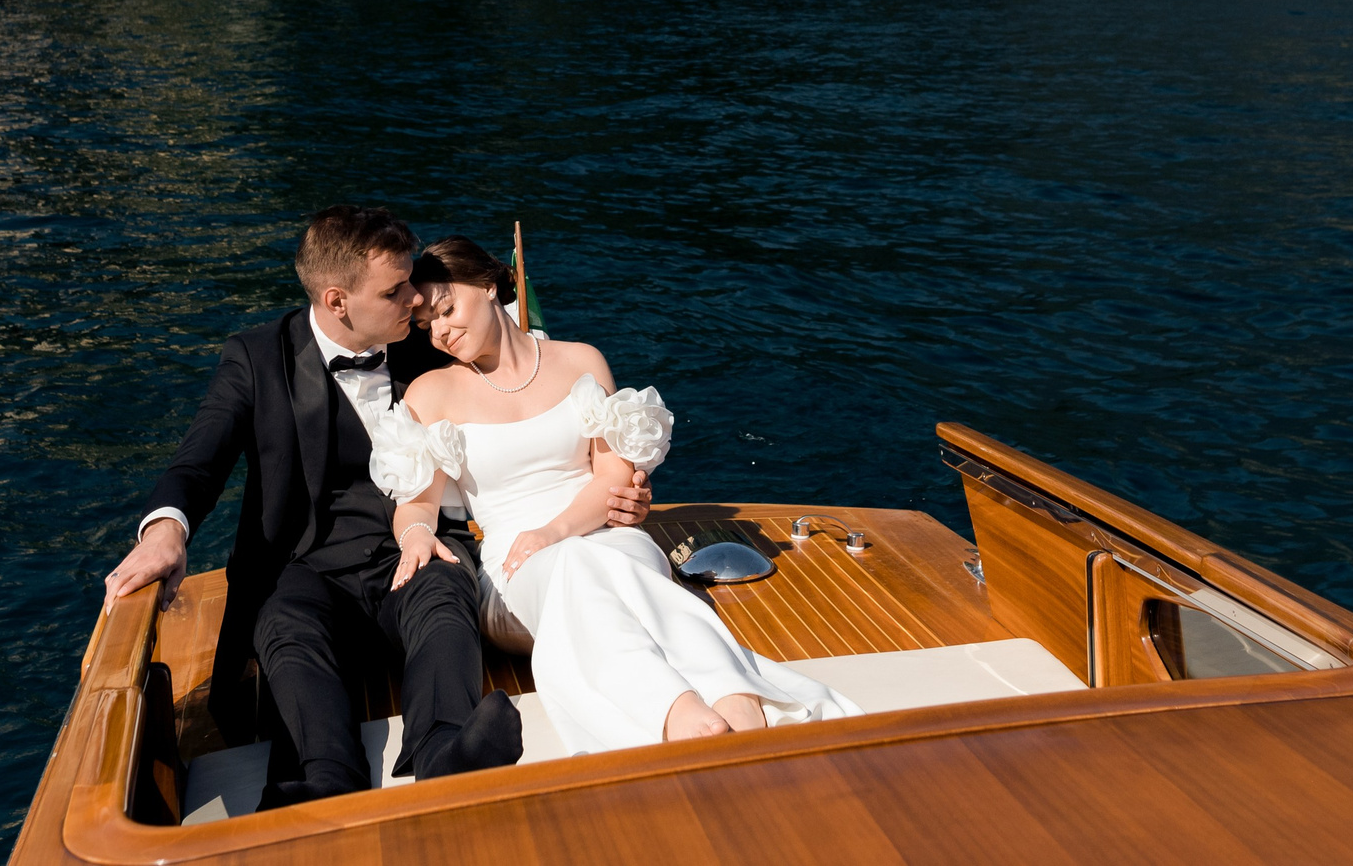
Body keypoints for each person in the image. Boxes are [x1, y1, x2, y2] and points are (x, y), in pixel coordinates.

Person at [98, 206, 653, 809]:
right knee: (288, 630)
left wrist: (619, 483)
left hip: (410, 548)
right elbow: (197, 461)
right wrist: (164, 533)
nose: (416, 299)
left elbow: (530, 397)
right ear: (338, 301)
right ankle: (319, 779)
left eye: (411, 280)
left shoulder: (434, 346)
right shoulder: (256, 359)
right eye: (395, 290)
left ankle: (446, 756)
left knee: (444, 599)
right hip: (301, 566)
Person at [372, 237, 859, 754]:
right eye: (429, 326)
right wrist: (418, 535)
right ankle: (679, 708)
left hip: (599, 533)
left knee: (607, 556)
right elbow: (417, 504)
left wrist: (553, 531)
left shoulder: (581, 361)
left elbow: (611, 477)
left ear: (489, 286)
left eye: (447, 309)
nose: (442, 331)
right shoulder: (431, 391)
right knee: (577, 568)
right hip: (514, 568)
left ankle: (730, 696)